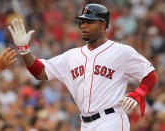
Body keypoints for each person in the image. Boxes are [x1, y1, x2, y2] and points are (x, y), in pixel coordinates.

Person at [8, 3, 158, 131]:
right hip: (85, 123)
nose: (84, 25)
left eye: (89, 22)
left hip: (111, 120)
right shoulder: (72, 55)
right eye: (82, 22)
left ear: (102, 25)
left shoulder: (121, 51)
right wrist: (24, 49)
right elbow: (40, 72)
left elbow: (150, 75)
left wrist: (138, 93)